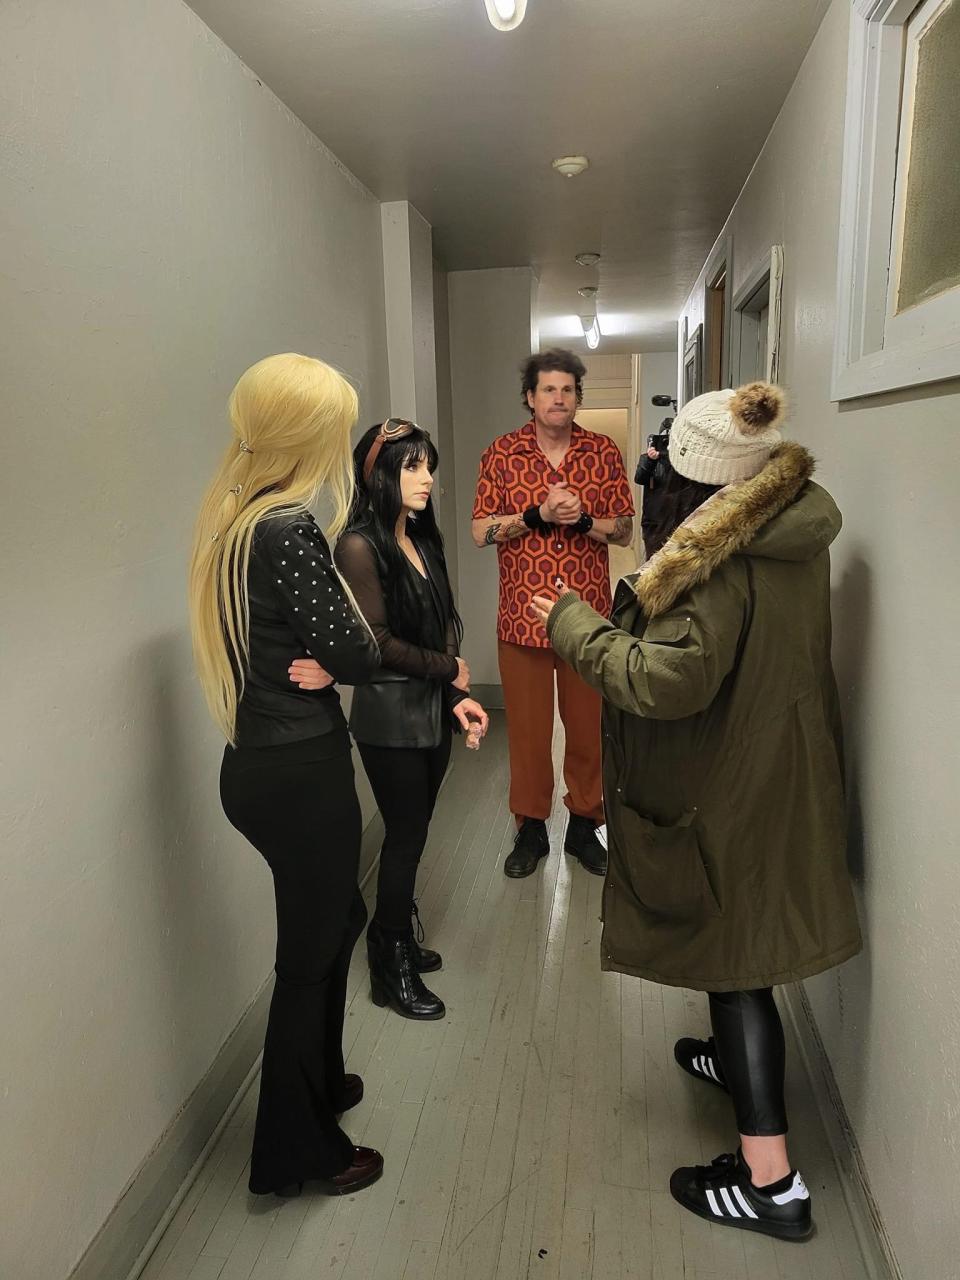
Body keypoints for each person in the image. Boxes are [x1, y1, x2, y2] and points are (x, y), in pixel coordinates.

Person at [532, 381, 862, 1242]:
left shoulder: (722, 565)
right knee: (739, 943)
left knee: (736, 959)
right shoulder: (794, 528)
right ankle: (732, 1064)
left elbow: (666, 680)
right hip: (773, 766)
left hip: (730, 781)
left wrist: (574, 625)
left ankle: (772, 1184)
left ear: (696, 490)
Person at [188, 353, 384, 1199]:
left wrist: (332, 659)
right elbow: (354, 652)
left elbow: (316, 651)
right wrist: (348, 655)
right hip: (300, 772)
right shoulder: (288, 526)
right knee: (308, 957)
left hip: (259, 769)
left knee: (340, 916)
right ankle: (296, 1153)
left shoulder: (232, 522)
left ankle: (322, 1083)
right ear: (311, 436)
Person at [290, 419, 489, 1021]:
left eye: (428, 465)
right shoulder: (358, 545)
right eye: (411, 466)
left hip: (428, 711)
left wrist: (454, 697)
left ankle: (394, 934)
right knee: (403, 840)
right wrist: (452, 668)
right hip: (389, 723)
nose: (427, 478)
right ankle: (388, 962)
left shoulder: (419, 539)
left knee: (417, 832)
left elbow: (426, 632)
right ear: (378, 474)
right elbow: (377, 644)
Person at [471, 349, 635, 879]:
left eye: (567, 390)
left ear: (577, 398)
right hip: (522, 619)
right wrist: (535, 515)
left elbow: (625, 528)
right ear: (530, 397)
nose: (558, 398)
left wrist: (584, 519)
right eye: (548, 390)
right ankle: (532, 828)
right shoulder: (501, 454)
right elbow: (480, 531)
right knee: (527, 732)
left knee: (588, 729)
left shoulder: (603, 452)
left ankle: (586, 825)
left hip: (588, 620)